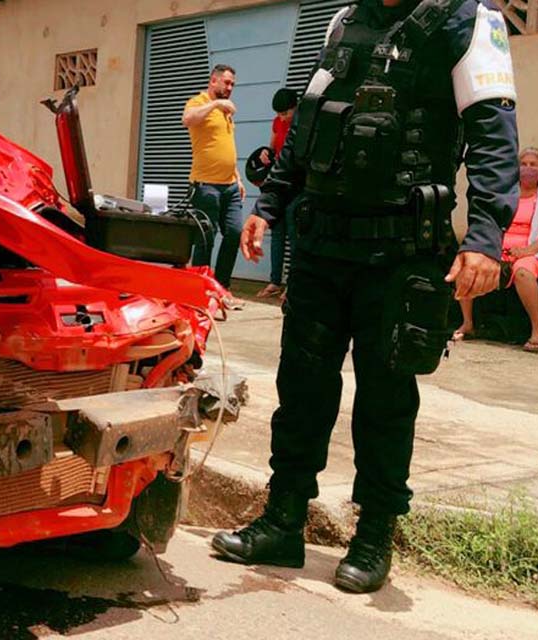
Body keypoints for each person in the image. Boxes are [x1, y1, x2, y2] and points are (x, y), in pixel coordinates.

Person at [211, 0, 519, 594]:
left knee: (385, 397)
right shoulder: (344, 19)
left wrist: (485, 235)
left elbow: (492, 136)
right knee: (301, 386)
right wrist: (270, 205)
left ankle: (374, 533)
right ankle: (283, 521)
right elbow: (309, 119)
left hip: (402, 251)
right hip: (323, 243)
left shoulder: (470, 21)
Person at [454, 146, 538, 351]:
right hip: (499, 248)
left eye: (533, 164)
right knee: (467, 264)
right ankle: (468, 324)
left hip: (534, 252)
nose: (527, 168)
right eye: (523, 164)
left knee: (523, 271)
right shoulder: (507, 193)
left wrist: (526, 251)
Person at [182, 64, 247, 307]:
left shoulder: (226, 111)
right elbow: (187, 119)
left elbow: (226, 147)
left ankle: (222, 288)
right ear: (213, 81)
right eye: (226, 83)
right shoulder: (199, 102)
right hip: (206, 186)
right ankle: (200, 292)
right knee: (205, 238)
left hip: (229, 186)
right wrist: (216, 104)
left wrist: (238, 177)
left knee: (234, 233)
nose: (229, 88)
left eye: (232, 85)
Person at [257, 88, 300, 298]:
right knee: (277, 233)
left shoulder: (303, 123)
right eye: (279, 114)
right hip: (280, 184)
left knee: (294, 235)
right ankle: (274, 281)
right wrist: (266, 153)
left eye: (286, 113)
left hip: (297, 185)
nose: (282, 118)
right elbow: (273, 147)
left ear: (296, 107)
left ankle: (293, 284)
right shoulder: (278, 122)